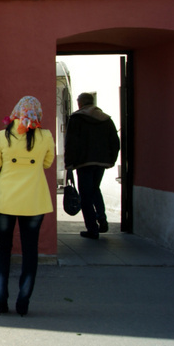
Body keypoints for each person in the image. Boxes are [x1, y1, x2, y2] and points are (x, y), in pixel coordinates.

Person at [0, 96, 55, 317]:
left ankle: (0, 298)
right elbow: (47, 163)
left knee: (3, 249)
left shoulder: (3, 135)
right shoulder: (45, 136)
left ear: (16, 111)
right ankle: (24, 301)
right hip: (34, 200)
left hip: (5, 200)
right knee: (30, 251)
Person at [64, 92, 121, 239]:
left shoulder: (77, 118)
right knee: (95, 189)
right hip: (101, 162)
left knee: (85, 195)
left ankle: (92, 229)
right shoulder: (106, 119)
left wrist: (69, 164)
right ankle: (102, 219)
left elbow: (71, 143)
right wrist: (111, 160)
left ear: (80, 104)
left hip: (83, 163)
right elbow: (115, 142)